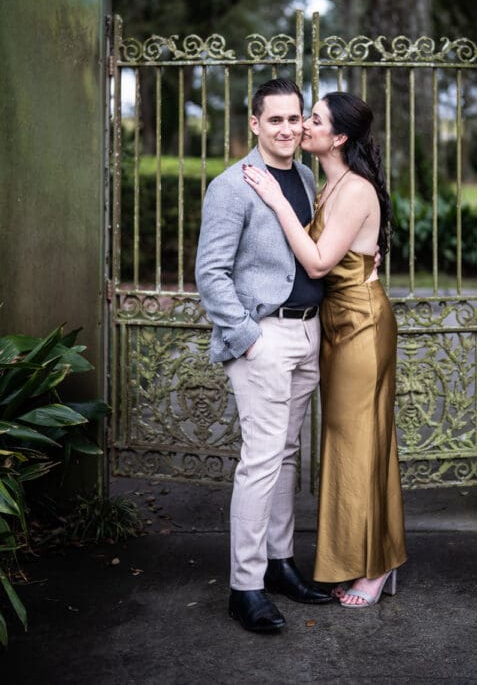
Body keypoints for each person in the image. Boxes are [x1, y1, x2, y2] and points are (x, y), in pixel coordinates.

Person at [243, 90, 407, 608]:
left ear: (338, 138)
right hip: (334, 321)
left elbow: (316, 262)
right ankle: (364, 555)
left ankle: (376, 566)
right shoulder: (323, 182)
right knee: (345, 439)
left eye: (313, 120)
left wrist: (273, 198)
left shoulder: (354, 188)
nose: (302, 126)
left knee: (358, 439)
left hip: (360, 322)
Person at [195, 78, 332, 635]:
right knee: (260, 459)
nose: (286, 129)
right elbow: (211, 273)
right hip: (264, 337)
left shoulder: (303, 176)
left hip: (307, 334)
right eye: (273, 119)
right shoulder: (232, 186)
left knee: (287, 456)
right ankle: (244, 586)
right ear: (254, 124)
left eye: (294, 119)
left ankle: (279, 564)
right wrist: (248, 337)